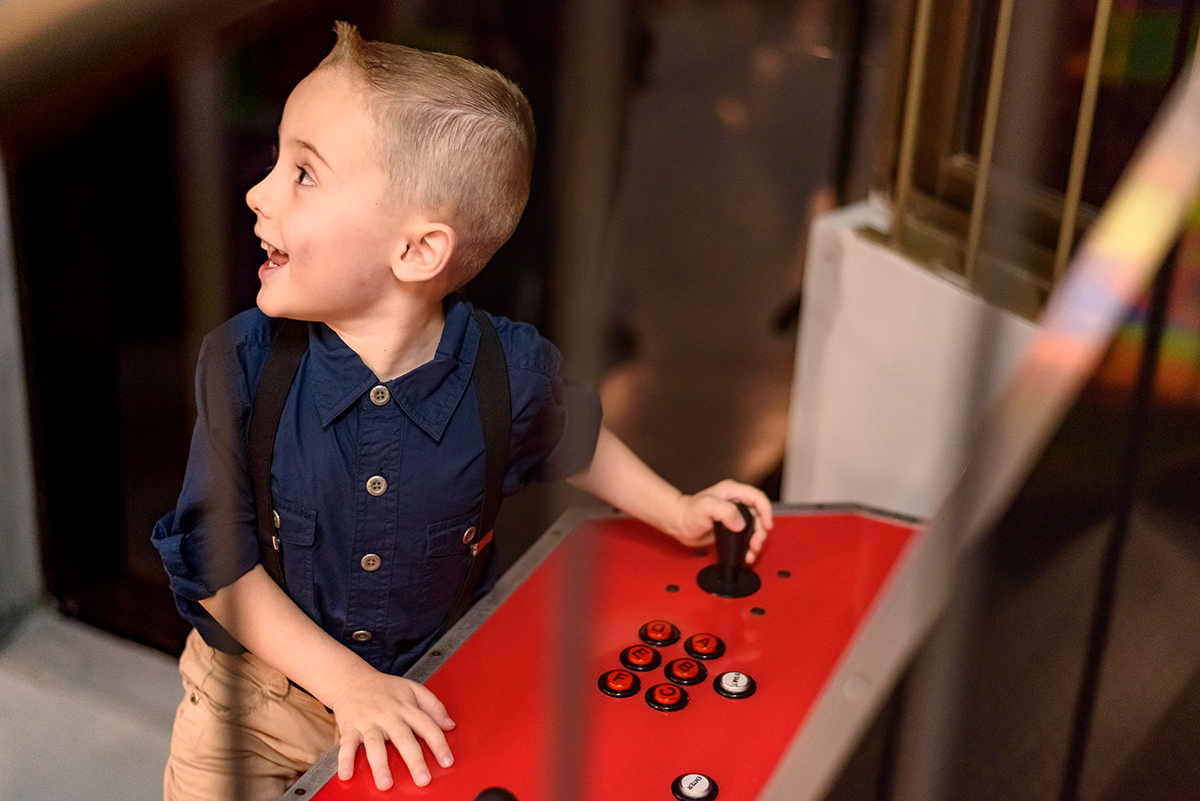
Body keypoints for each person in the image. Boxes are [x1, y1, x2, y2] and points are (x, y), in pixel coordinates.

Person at [152, 21, 772, 801]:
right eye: (277, 159)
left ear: (417, 252)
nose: (258, 191)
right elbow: (217, 565)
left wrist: (677, 507)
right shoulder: (240, 363)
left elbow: (574, 438)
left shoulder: (504, 372)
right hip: (249, 712)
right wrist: (348, 685)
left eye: (303, 174)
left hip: (425, 697)